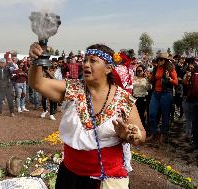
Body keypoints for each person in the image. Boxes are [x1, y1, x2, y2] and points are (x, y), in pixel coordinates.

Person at [29, 43, 146, 189]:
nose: (85, 64)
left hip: (106, 179)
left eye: (93, 61)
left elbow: (141, 135)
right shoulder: (73, 88)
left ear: (108, 68)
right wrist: (36, 60)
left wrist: (129, 135)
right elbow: (37, 83)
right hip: (70, 175)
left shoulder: (123, 99)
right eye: (85, 60)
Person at [147, 52, 178, 143]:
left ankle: (163, 134)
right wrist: (149, 78)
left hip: (166, 94)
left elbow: (176, 82)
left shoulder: (170, 69)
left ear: (166, 61)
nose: (159, 61)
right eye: (159, 59)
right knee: (152, 114)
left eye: (162, 59)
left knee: (165, 115)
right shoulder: (156, 68)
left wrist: (169, 79)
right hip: (155, 93)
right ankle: (154, 132)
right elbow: (152, 80)